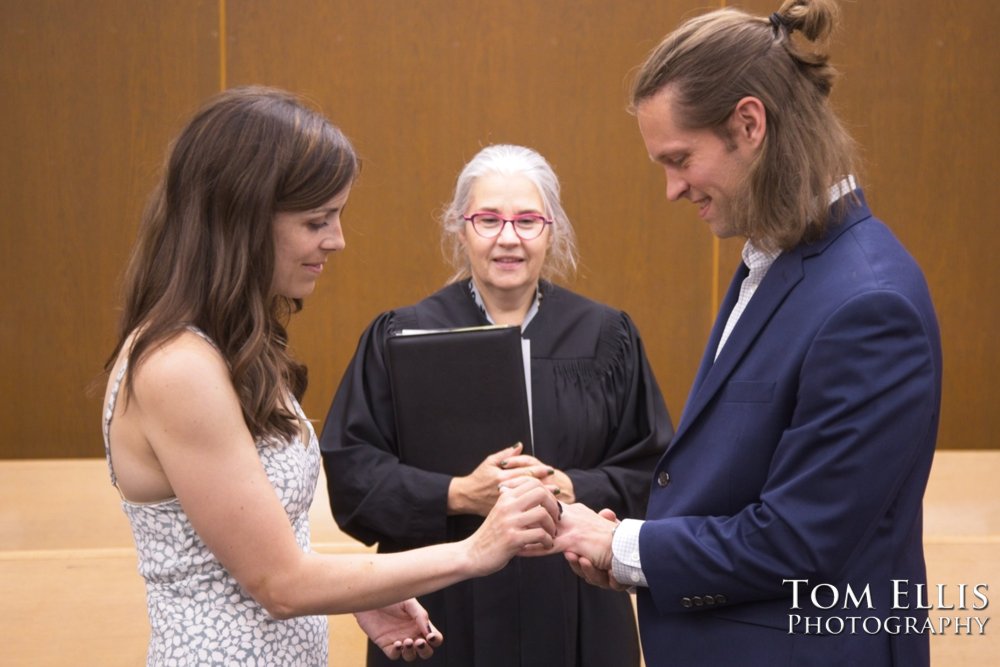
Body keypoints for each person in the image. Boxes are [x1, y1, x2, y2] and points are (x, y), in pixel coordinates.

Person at [101, 87, 561, 667]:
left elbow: (257, 548)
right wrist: (476, 550)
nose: (337, 240)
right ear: (240, 220)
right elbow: (280, 583)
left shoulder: (226, 349)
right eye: (316, 220)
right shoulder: (178, 366)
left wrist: (354, 594)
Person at [551, 2, 943, 666]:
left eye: (680, 158)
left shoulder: (870, 304)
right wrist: (627, 543)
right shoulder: (777, 258)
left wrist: (625, 549)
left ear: (749, 123)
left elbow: (798, 537)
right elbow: (732, 473)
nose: (673, 189)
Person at [320, 143, 674, 666]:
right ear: (460, 229)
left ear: (552, 230)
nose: (508, 238)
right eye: (488, 219)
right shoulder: (403, 336)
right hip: (442, 607)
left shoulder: (606, 338)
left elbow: (656, 472)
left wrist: (569, 488)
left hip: (574, 604)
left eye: (528, 220)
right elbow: (354, 474)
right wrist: (457, 494)